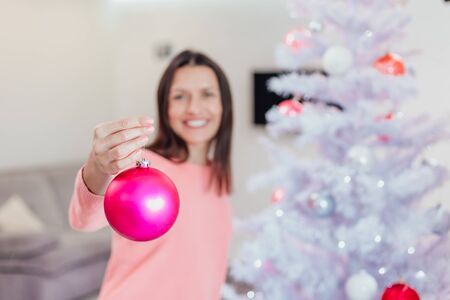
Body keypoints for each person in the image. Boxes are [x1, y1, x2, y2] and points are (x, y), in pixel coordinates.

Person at [68, 50, 233, 300]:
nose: (194, 108)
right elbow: (83, 220)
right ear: (165, 107)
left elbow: (207, 265)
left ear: (224, 105)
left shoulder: (217, 175)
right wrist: (98, 168)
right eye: (180, 96)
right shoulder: (142, 168)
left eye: (207, 94)